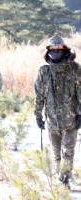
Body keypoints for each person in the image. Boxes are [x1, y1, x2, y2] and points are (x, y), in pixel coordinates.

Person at [34, 35, 81, 189]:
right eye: (52, 49)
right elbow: (39, 95)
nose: (55, 52)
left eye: (58, 49)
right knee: (56, 155)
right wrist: (38, 115)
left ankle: (64, 181)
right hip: (51, 122)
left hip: (70, 121)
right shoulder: (43, 71)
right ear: (48, 51)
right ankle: (59, 179)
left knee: (68, 152)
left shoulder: (74, 69)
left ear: (64, 50)